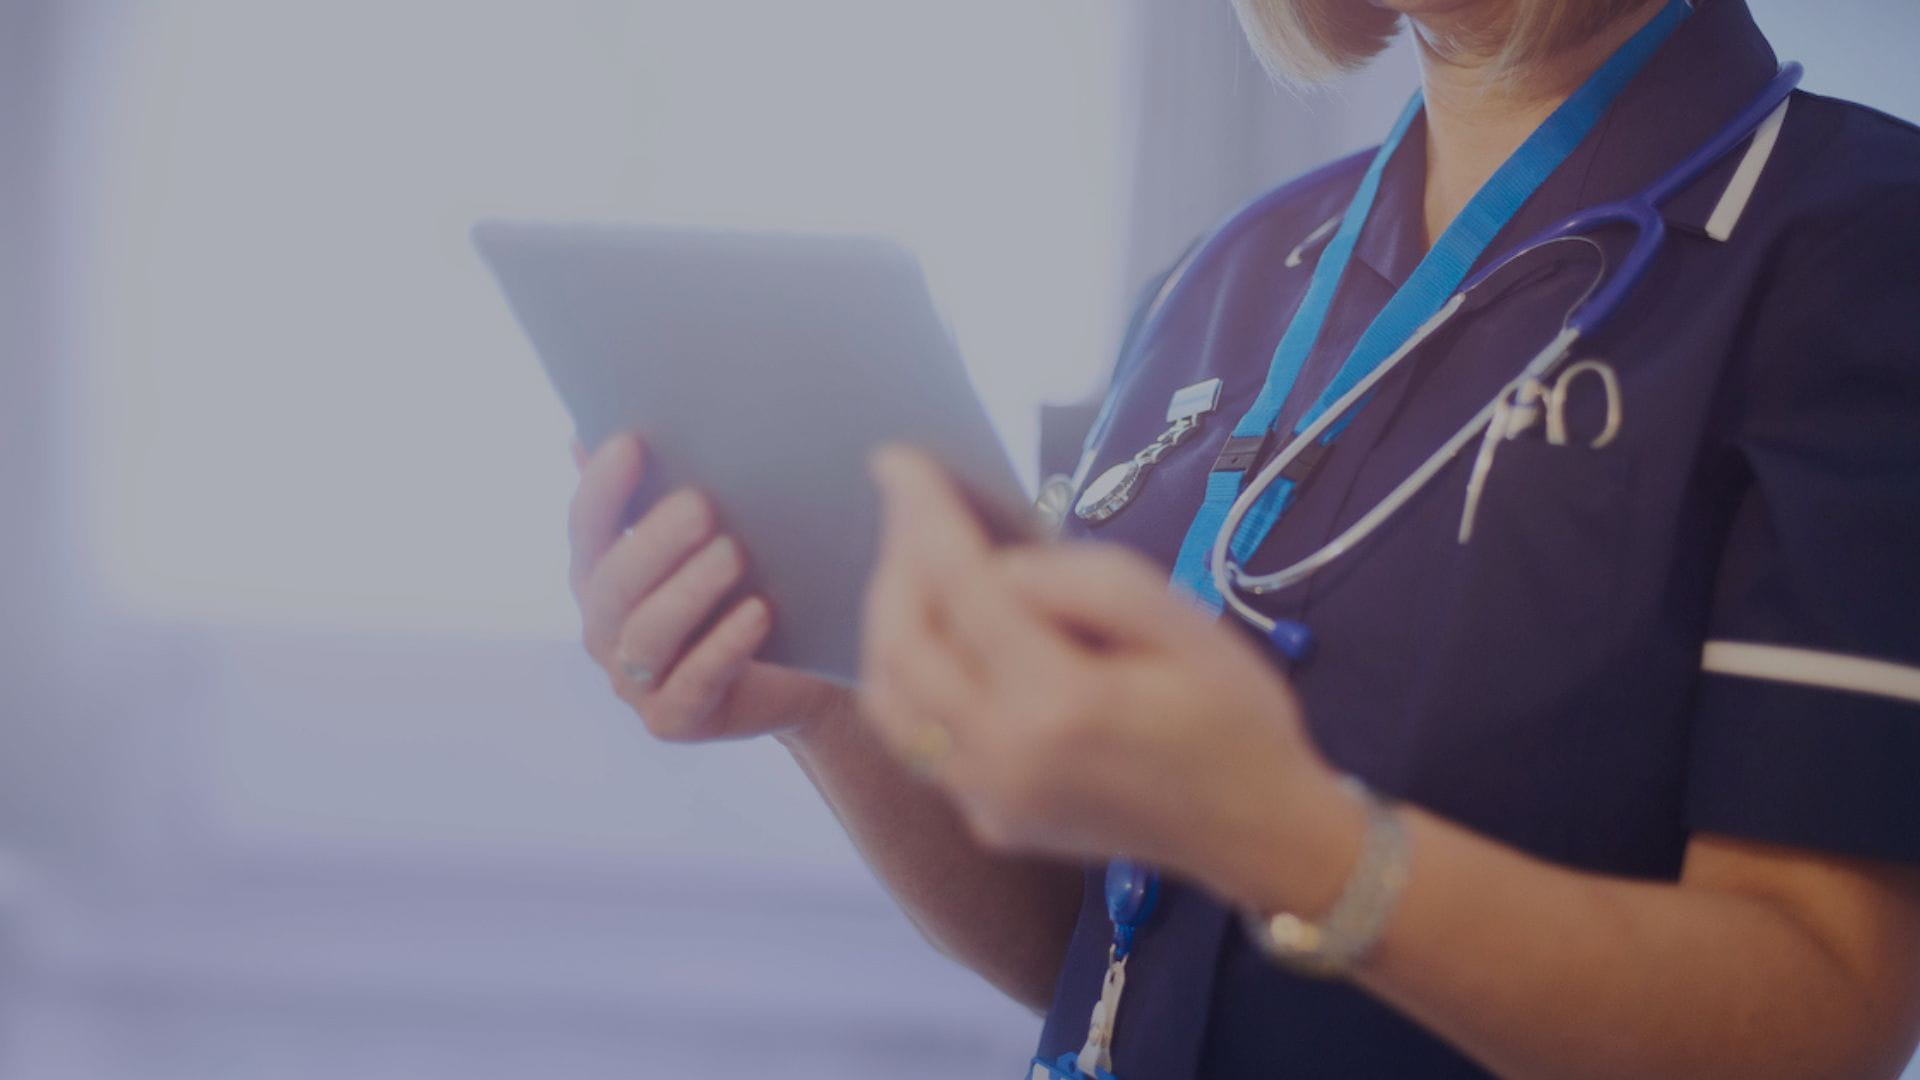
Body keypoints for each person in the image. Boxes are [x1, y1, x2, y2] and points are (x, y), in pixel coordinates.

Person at [565, 0, 1920, 1074]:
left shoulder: (1859, 247)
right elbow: (1111, 948)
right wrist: (826, 708)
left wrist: (1298, 843)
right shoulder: (1229, 272)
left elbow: (1822, 1013)